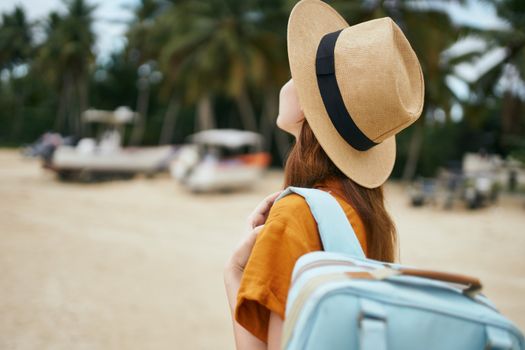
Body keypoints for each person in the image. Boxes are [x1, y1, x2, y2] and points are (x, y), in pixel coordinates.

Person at [223, 0, 424, 349]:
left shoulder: (296, 216)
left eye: (298, 72)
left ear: (306, 106)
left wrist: (234, 273)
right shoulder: (366, 215)